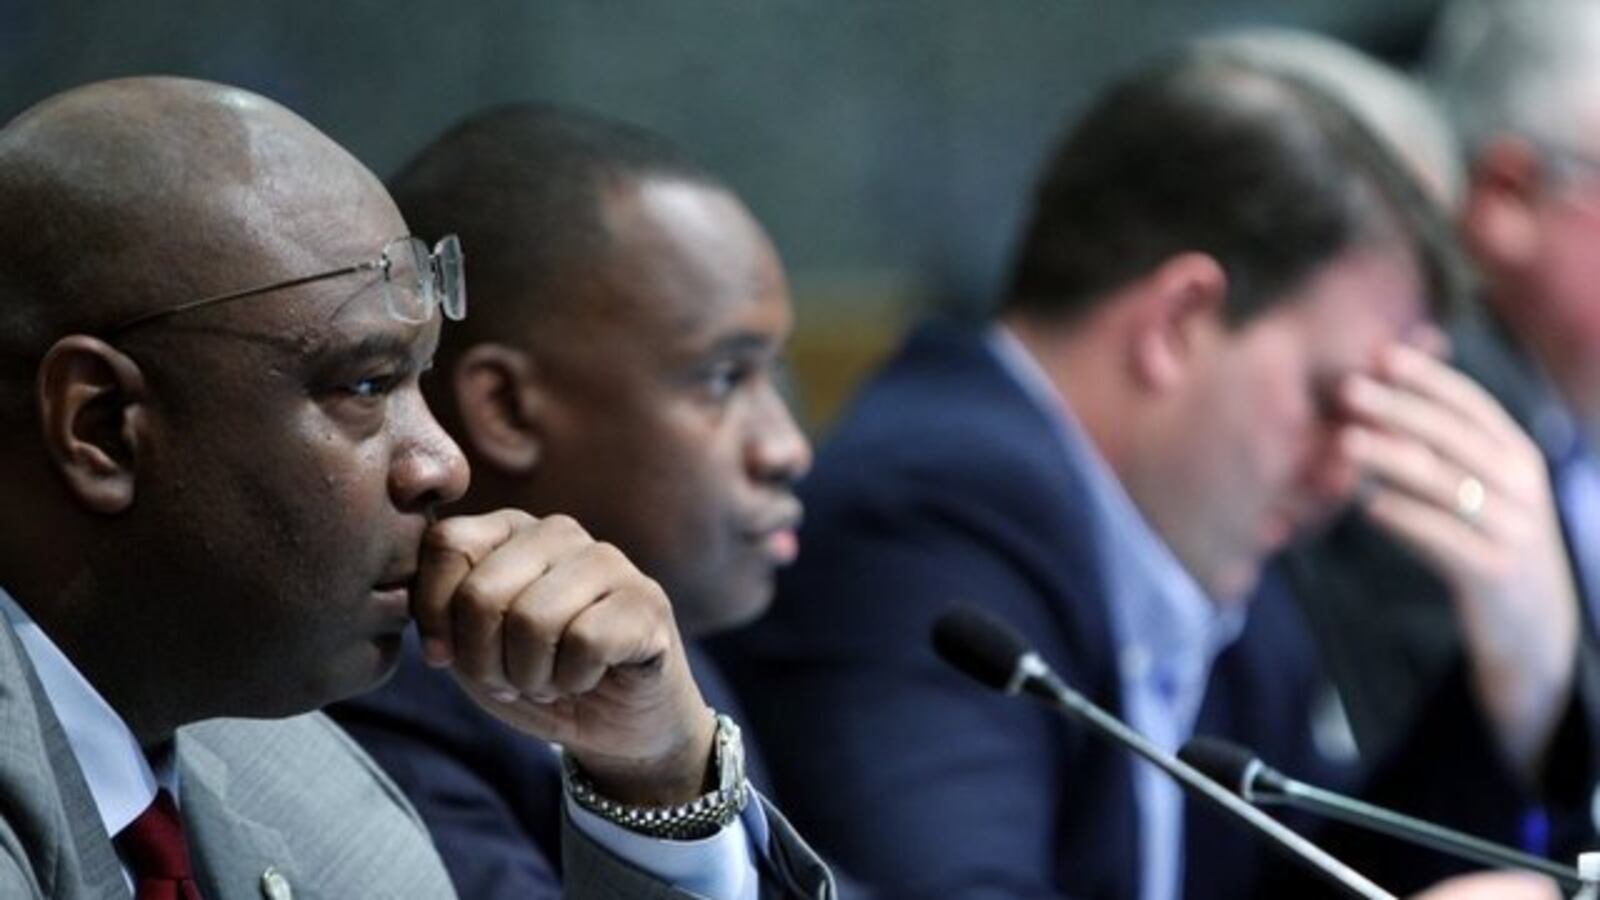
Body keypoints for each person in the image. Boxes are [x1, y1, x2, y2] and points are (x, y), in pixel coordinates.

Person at [710, 47, 1595, 900]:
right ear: (1178, 322)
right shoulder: (929, 519)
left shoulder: (1216, 562)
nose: (1347, 473)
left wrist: (1522, 667)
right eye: (1335, 398)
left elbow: (1303, 877)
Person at [0, 77, 832, 898]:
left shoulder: (304, 783)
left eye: (420, 381)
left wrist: (654, 787)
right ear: (102, 427)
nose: (444, 463)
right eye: (363, 387)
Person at [328, 103, 818, 897]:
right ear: (509, 410)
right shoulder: (390, 695)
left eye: (775, 374)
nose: (787, 447)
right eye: (724, 378)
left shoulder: (666, 647)